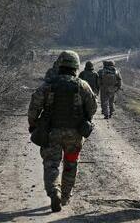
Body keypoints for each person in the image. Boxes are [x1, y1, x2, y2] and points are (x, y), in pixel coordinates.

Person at [27, 50, 97, 212]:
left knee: (51, 164)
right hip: (75, 136)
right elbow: (92, 108)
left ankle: (54, 192)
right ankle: (65, 196)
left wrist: (33, 124)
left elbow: (34, 106)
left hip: (52, 133)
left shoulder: (48, 85)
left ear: (61, 64)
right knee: (71, 164)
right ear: (75, 66)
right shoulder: (82, 85)